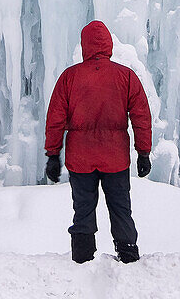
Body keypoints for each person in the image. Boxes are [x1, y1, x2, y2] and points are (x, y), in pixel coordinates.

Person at [44, 20, 152, 264]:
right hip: (115, 157)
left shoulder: (69, 77)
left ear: (84, 45)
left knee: (83, 209)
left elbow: (55, 118)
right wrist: (143, 152)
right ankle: (128, 256)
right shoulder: (125, 76)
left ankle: (82, 260)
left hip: (80, 158)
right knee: (121, 208)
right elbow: (141, 116)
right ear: (108, 44)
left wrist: (53, 153)